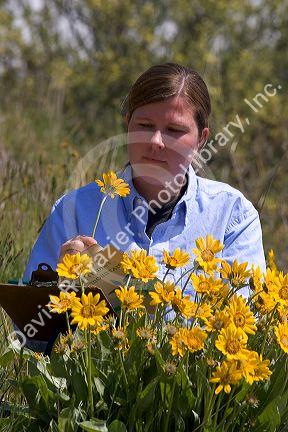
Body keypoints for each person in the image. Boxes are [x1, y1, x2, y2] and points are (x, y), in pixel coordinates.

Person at [22, 62, 266, 350]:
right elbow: (28, 333)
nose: (155, 141)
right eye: (145, 126)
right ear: (127, 126)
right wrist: (61, 285)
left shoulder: (233, 217)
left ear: (201, 140)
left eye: (174, 130)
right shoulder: (75, 211)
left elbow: (249, 326)